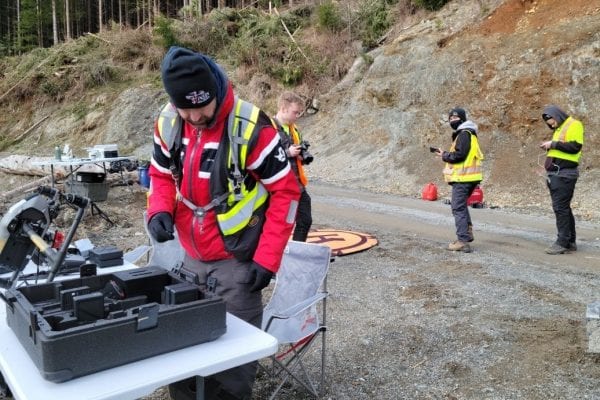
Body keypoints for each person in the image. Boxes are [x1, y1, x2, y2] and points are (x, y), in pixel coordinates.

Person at [147, 46, 300, 400]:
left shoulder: (252, 129)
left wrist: (267, 259)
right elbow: (159, 175)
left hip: (238, 262)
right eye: (186, 108)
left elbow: (287, 195)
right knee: (183, 356)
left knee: (231, 368)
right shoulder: (170, 122)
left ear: (215, 90)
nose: (195, 116)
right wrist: (159, 210)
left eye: (202, 106)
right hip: (189, 259)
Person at [433, 107, 484, 253]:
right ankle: (466, 234)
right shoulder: (469, 133)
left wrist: (445, 156)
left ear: (462, 119)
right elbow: (462, 154)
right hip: (470, 178)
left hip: (463, 178)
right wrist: (446, 154)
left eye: (455, 118)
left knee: (458, 207)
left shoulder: (464, 134)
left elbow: (459, 155)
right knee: (461, 206)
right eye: (450, 119)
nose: (452, 121)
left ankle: (462, 241)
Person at [539, 105, 584, 255]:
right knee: (564, 208)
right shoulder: (559, 129)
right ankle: (570, 241)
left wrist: (553, 144)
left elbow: (575, 146)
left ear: (556, 115)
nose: (550, 124)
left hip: (564, 174)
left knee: (560, 208)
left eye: (550, 120)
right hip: (558, 174)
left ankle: (562, 242)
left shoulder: (574, 124)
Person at [273, 91, 313, 242]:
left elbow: (300, 155)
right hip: (281, 188)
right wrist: (287, 152)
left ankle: (296, 253)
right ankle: (278, 254)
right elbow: (264, 158)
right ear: (283, 108)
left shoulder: (294, 129)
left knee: (305, 221)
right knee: (283, 225)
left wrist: (301, 155)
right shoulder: (268, 128)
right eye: (295, 112)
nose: (297, 116)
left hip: (298, 186)